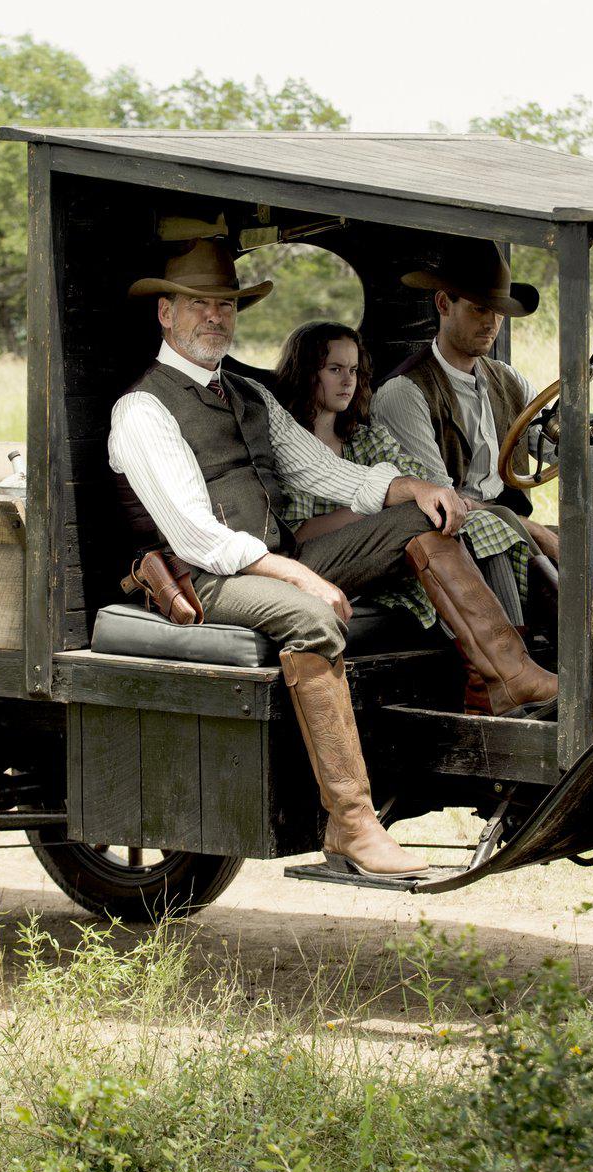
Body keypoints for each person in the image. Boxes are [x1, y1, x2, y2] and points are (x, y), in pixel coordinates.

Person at [108, 240, 557, 878]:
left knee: (416, 518)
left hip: (274, 559)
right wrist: (297, 572)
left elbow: (325, 471)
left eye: (226, 305)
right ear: (166, 314)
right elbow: (198, 539)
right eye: (200, 305)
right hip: (205, 578)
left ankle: (509, 674)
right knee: (313, 619)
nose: (216, 317)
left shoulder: (246, 394)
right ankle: (351, 822)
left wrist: (415, 489)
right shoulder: (144, 409)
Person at [269, 319, 536, 638]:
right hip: (330, 562)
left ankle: (521, 647)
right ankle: (512, 659)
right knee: (436, 522)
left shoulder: (366, 440)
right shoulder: (287, 447)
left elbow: (427, 486)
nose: (347, 381)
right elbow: (295, 534)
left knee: (483, 523)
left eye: (353, 370)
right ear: (307, 372)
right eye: (335, 369)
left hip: (392, 555)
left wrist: (411, 500)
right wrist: (384, 510)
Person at [372, 240, 561, 564]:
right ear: (444, 304)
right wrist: (537, 533)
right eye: (479, 308)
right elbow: (441, 500)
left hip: (508, 525)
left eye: (498, 311)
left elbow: (555, 449)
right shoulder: (404, 394)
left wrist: (579, 437)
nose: (492, 323)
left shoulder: (508, 381)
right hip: (443, 539)